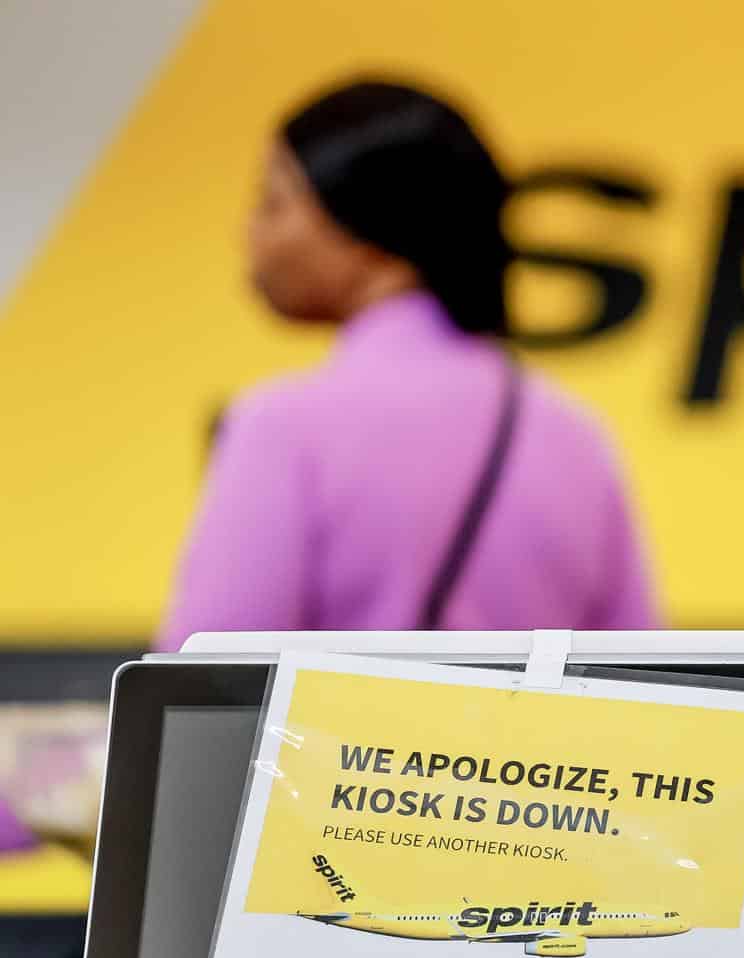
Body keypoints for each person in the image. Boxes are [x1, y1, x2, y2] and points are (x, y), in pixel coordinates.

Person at [159, 80, 660, 648]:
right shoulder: (577, 437)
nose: (251, 233)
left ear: (368, 227)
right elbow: (636, 674)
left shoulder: (280, 426)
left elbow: (203, 691)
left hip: (332, 742)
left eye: (274, 201)